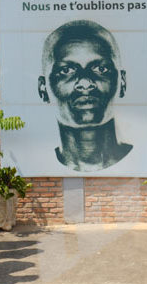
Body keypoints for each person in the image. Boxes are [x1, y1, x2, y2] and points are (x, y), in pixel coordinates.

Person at [38, 20, 131, 171]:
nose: (85, 82)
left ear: (122, 82)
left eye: (101, 69)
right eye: (66, 70)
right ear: (43, 89)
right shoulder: (41, 165)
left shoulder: (144, 156)